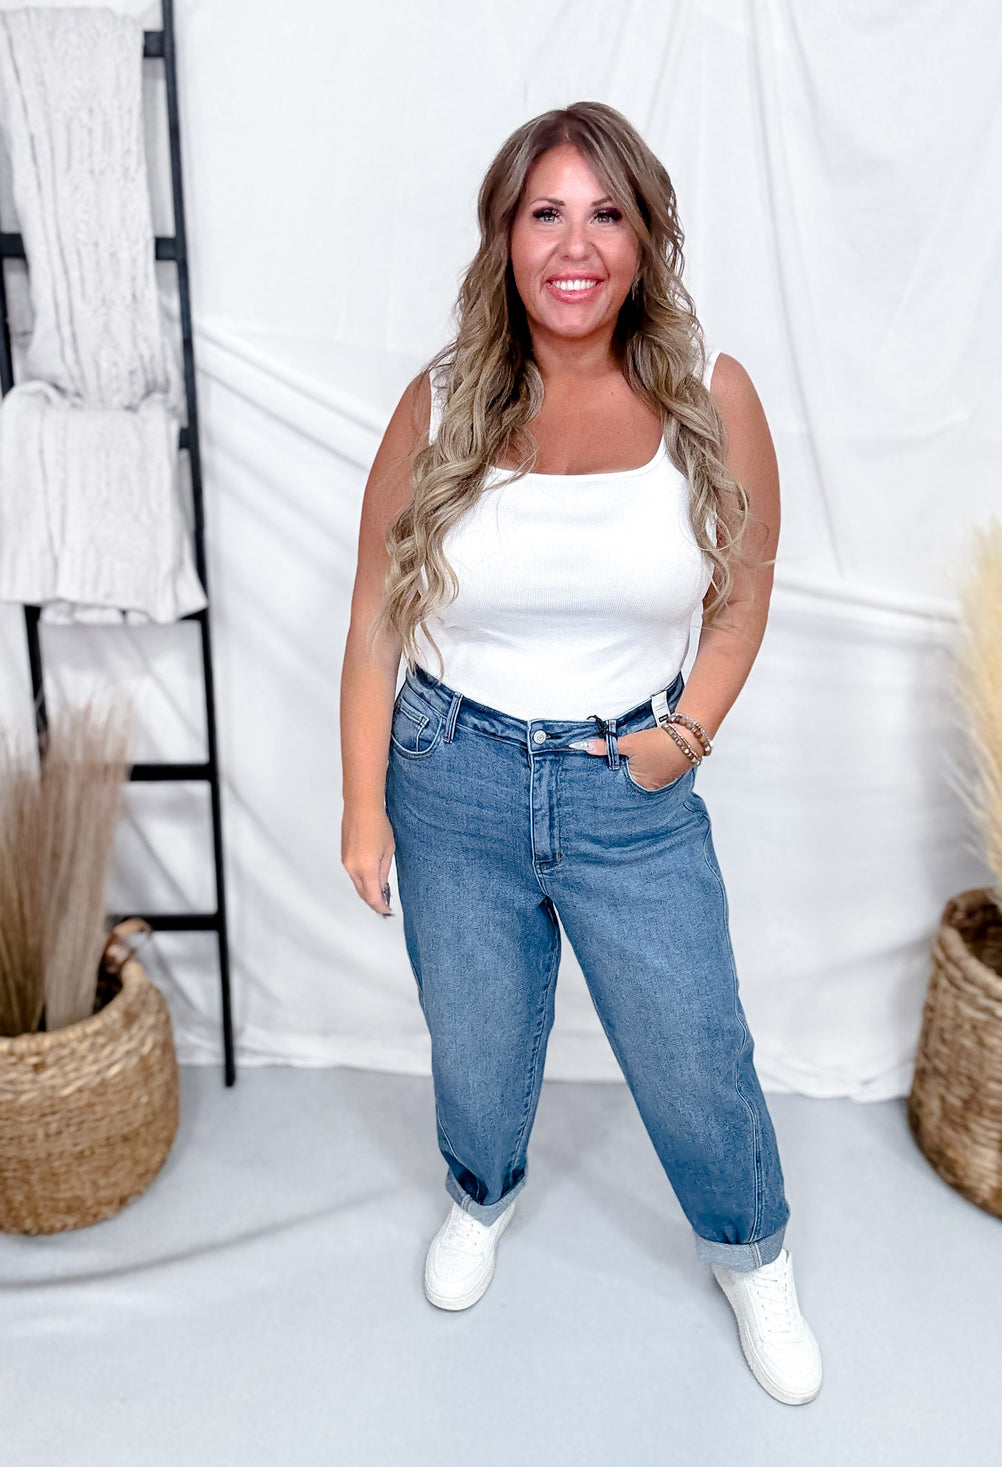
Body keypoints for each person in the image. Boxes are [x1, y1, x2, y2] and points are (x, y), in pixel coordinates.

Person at [340, 101, 822, 1406]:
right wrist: (363, 810)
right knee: (477, 1039)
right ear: (505, 236)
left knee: (689, 1041)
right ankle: (479, 1198)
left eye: (606, 212)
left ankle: (751, 1255)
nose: (575, 241)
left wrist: (684, 736)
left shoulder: (712, 397)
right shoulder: (440, 403)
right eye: (544, 210)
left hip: (629, 784)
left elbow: (747, 585)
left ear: (648, 236)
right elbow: (377, 611)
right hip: (451, 773)